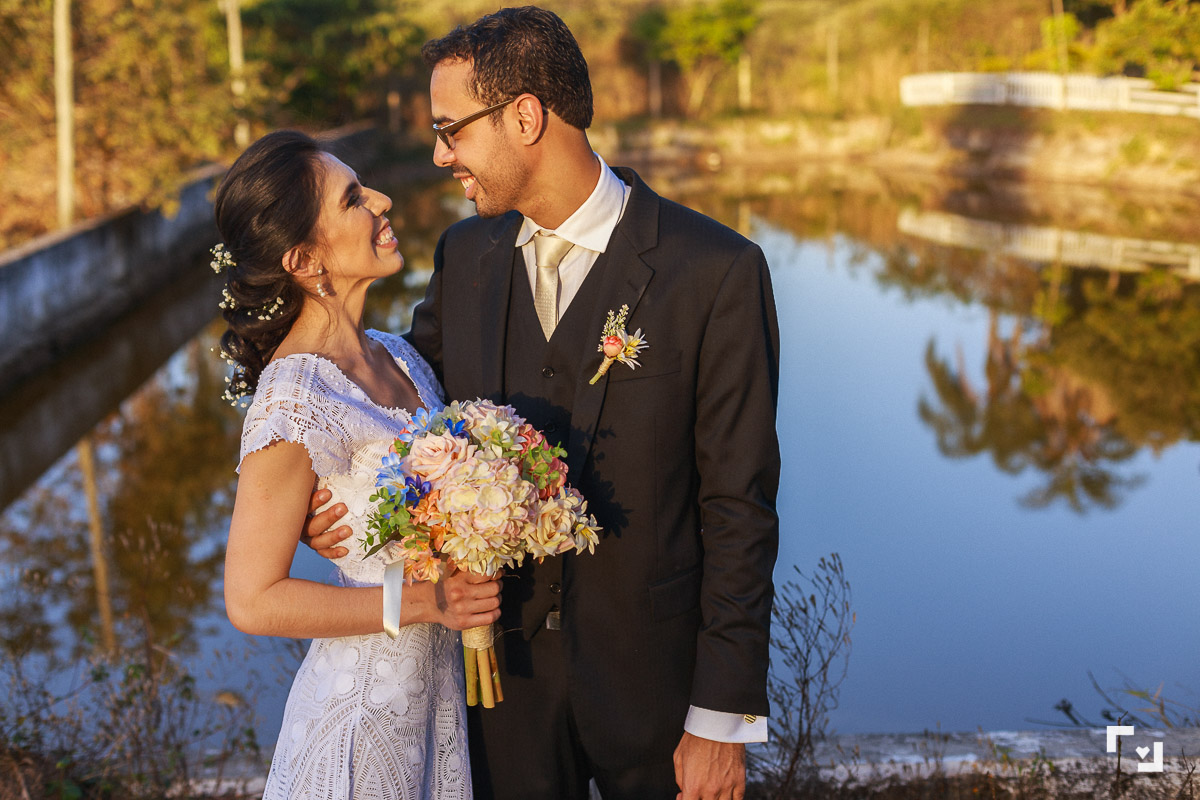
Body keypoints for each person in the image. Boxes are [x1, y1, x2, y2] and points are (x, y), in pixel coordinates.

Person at [304, 7, 781, 800]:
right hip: (499, 694)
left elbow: (741, 504)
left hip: (657, 697)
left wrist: (719, 718)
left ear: (526, 115)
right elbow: (404, 417)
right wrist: (341, 504)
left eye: (451, 129)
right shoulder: (465, 254)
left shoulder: (716, 272)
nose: (438, 154)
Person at [216, 130, 502, 799]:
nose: (382, 201)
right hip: (362, 717)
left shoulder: (397, 357)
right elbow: (251, 600)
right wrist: (428, 601)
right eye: (353, 199)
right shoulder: (293, 400)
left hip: (436, 702)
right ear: (306, 259)